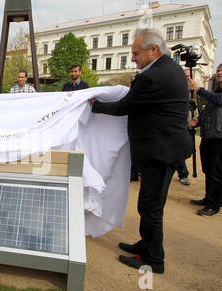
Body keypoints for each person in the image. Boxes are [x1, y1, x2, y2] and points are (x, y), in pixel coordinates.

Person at [89, 28, 192, 274]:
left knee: (150, 207)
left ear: (153, 49)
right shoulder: (171, 68)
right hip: (165, 147)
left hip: (159, 150)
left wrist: (96, 106)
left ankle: (154, 260)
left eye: (136, 53)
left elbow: (126, 106)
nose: (133, 58)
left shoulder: (152, 76)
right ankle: (145, 245)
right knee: (150, 204)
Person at [188, 63, 222, 216]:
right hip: (209, 135)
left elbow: (218, 100)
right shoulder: (216, 91)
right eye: (219, 70)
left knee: (216, 172)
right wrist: (199, 121)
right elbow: (209, 108)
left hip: (219, 138)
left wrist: (199, 89)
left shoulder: (216, 94)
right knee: (208, 170)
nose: (219, 73)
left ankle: (214, 205)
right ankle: (209, 198)